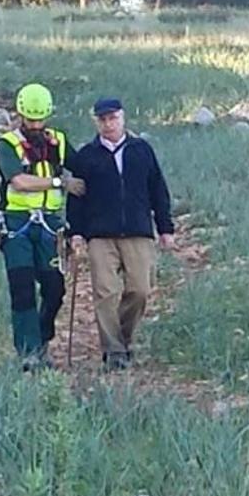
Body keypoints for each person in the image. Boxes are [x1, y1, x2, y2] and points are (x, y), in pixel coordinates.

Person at [66, 98, 174, 372]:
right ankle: (113, 351)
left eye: (113, 118)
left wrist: (165, 228)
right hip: (100, 235)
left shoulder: (141, 150)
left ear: (123, 118)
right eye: (102, 119)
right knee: (105, 293)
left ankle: (123, 339)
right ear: (96, 122)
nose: (108, 123)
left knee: (140, 290)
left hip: (138, 232)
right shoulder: (86, 156)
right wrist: (75, 233)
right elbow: (76, 197)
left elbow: (157, 189)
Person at [0, 83, 86, 372]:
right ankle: (29, 352)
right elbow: (18, 181)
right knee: (21, 288)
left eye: (39, 120)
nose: (35, 125)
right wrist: (59, 183)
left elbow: (82, 166)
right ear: (20, 115)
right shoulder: (6, 145)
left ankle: (42, 336)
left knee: (54, 288)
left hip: (50, 225)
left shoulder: (57, 140)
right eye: (30, 120)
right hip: (17, 224)